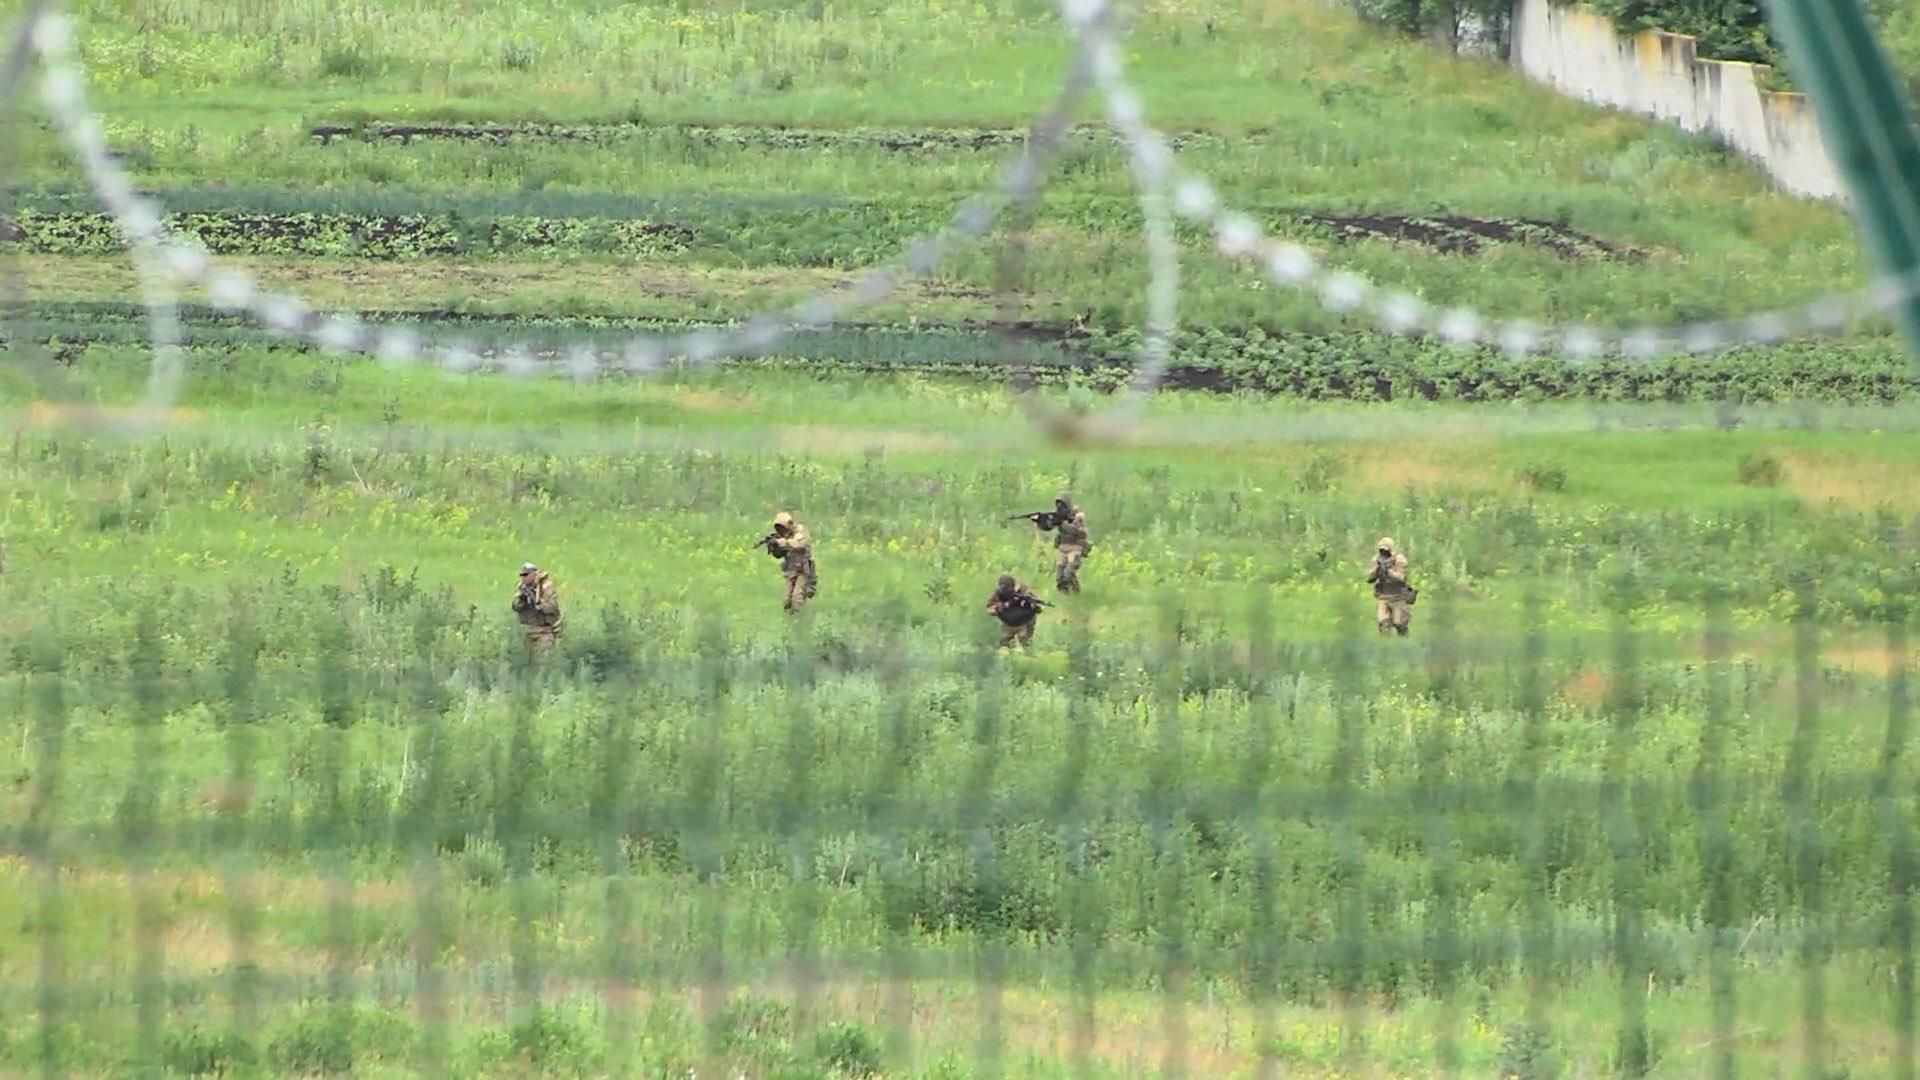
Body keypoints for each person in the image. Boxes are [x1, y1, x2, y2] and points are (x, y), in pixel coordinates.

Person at [765, 511, 818, 613]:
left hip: (803, 571)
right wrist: (774, 548)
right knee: (787, 601)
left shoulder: (800, 532)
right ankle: (790, 621)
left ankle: (800, 620)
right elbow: (779, 554)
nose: (781, 530)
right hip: (790, 571)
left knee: (797, 598)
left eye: (782, 527)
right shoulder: (782, 537)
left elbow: (798, 544)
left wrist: (782, 543)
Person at [512, 562, 562, 658]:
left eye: (526, 575)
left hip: (544, 631)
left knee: (543, 663)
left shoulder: (546, 586)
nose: (524, 578)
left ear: (534, 574)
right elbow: (514, 606)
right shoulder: (522, 587)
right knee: (528, 663)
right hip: (527, 631)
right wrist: (522, 601)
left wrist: (537, 602)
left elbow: (553, 607)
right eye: (522, 575)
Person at [1042, 493, 1090, 593]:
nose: (1060, 508)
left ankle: (1076, 592)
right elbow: (1048, 527)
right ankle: (1065, 596)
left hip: (1075, 547)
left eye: (1062, 505)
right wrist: (1046, 522)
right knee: (1060, 576)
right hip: (1063, 547)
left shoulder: (1078, 516)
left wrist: (1061, 523)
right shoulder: (1057, 514)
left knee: (1068, 572)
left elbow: (1075, 531)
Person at [1367, 537, 1415, 637]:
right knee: (1383, 623)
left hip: (1398, 597)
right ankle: (1386, 647)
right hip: (1383, 596)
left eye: (1386, 549)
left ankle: (1404, 643)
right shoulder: (1377, 559)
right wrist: (1377, 571)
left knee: (1399, 623)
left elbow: (1401, 578)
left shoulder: (1399, 559)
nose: (1384, 552)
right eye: (1382, 550)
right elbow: (1369, 578)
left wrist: (1389, 572)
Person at [986, 573, 1046, 648]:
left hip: (1025, 621)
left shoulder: (1024, 589)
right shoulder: (998, 592)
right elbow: (989, 608)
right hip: (1009, 621)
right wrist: (1001, 607)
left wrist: (1033, 606)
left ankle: (1025, 650)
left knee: (1024, 643)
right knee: (1005, 644)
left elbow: (1037, 607)